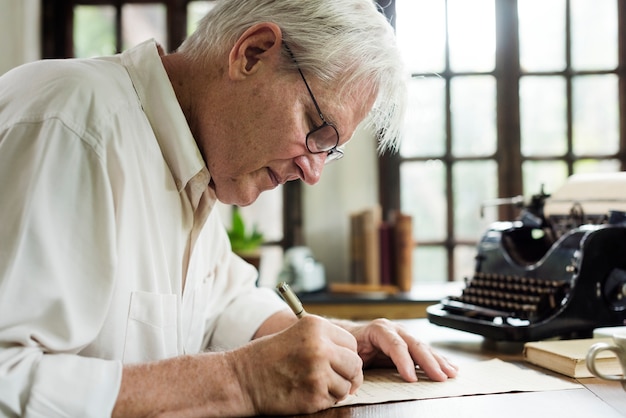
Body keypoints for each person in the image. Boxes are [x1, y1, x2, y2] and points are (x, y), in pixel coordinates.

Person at [0, 0, 458, 416]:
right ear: (252, 54)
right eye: (317, 130)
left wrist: (342, 342)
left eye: (329, 149)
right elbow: (7, 376)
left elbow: (224, 306)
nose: (313, 172)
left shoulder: (194, 161)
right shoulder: (73, 124)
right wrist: (240, 382)